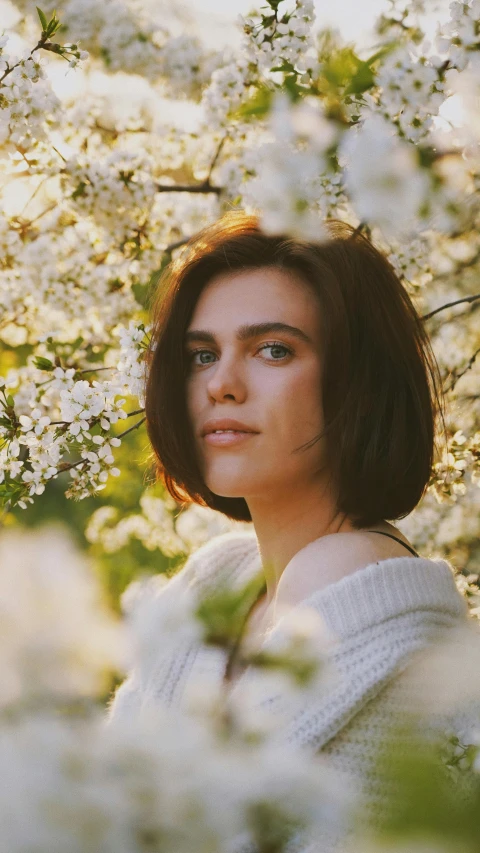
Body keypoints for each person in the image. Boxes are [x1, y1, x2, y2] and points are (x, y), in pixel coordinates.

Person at [107, 211, 479, 850]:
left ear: (357, 381)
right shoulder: (216, 581)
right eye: (201, 354)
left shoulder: (342, 579)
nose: (221, 384)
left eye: (273, 349)